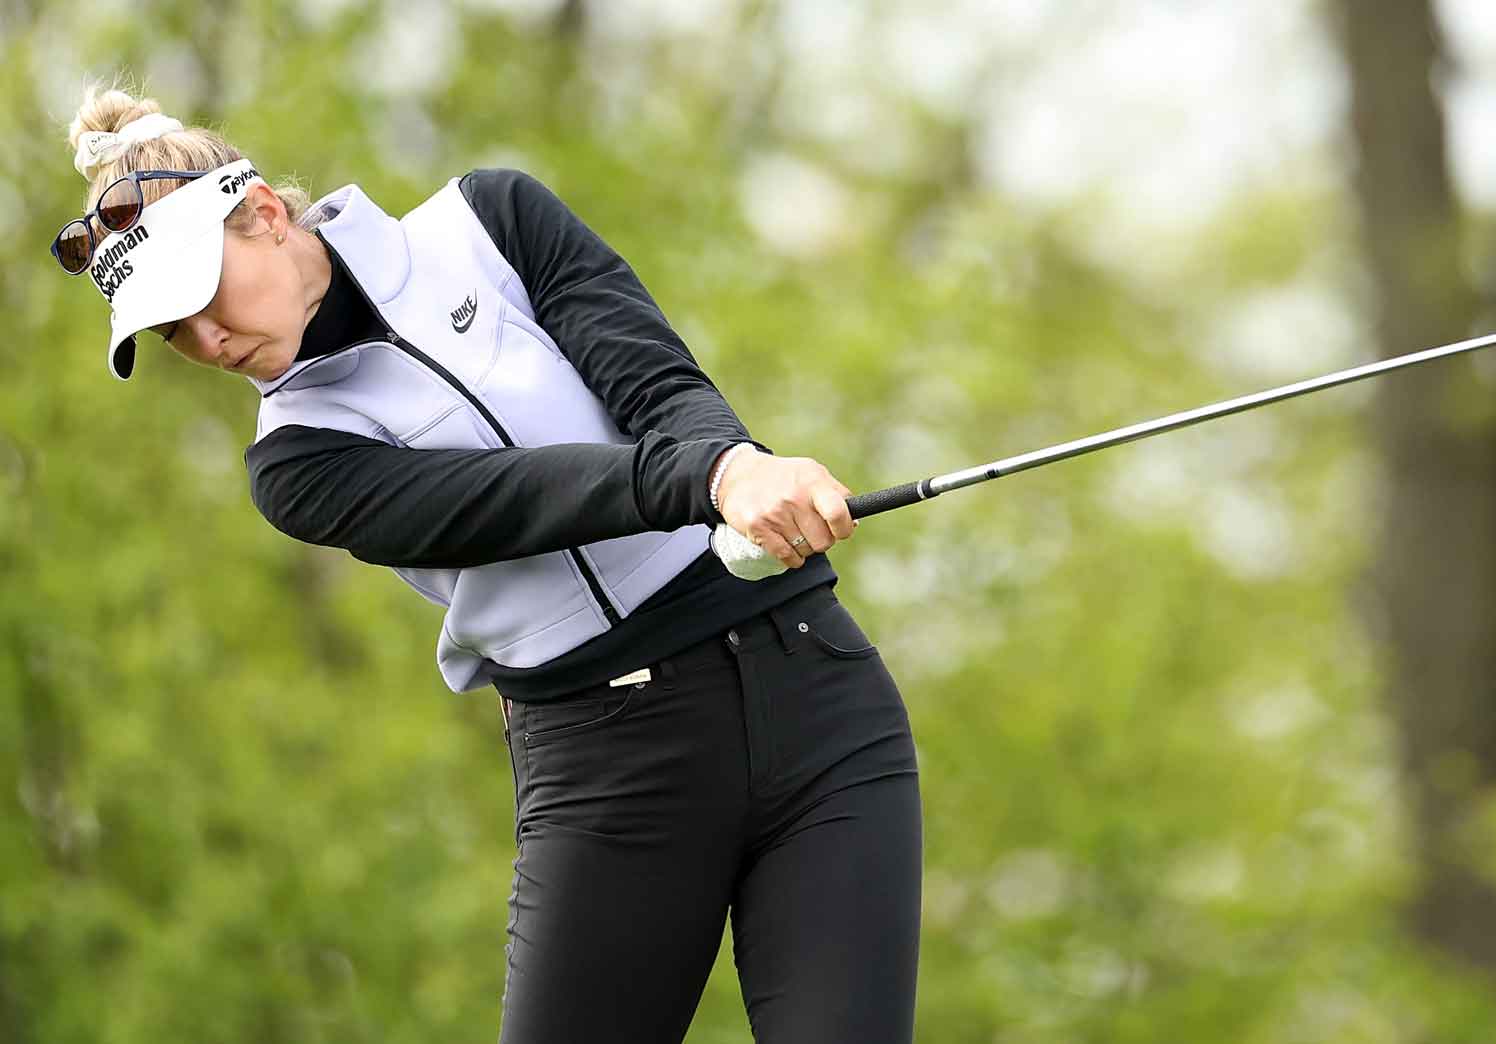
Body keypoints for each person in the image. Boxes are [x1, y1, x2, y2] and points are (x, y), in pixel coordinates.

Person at [58, 86, 923, 1044]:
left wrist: (729, 459)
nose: (208, 342)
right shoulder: (297, 464)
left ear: (262, 212)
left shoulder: (491, 222)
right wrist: (714, 478)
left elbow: (657, 381)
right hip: (612, 769)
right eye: (172, 334)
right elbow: (519, 498)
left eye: (199, 299)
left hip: (815, 699)